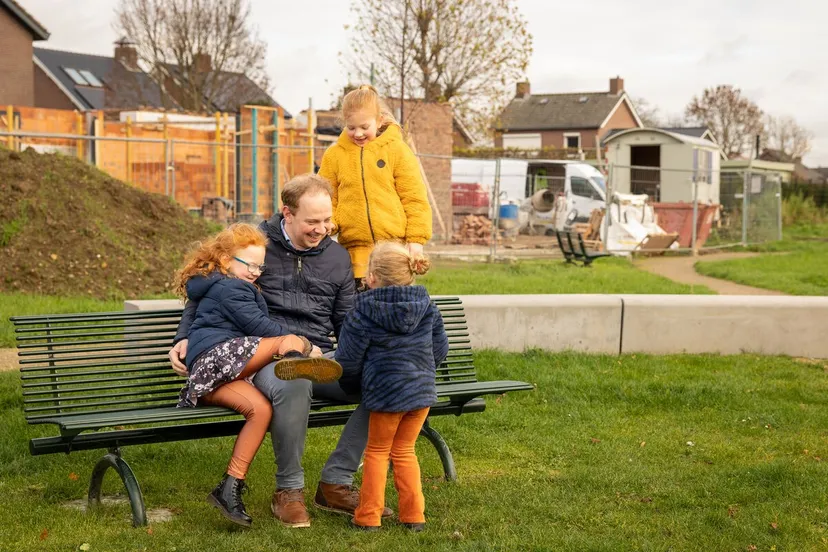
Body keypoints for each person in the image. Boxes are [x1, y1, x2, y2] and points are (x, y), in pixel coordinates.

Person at [169, 174, 392, 528]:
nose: (323, 229)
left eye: (327, 220)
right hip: (267, 359)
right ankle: (289, 490)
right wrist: (183, 337)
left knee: (384, 382)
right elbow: (210, 286)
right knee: (294, 379)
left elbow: (346, 319)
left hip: (320, 355)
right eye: (312, 221)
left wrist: (363, 357)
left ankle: (335, 482)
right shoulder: (256, 246)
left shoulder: (338, 257)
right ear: (287, 213)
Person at [174, 223, 343, 527]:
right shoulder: (231, 287)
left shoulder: (220, 282)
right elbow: (260, 327)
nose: (256, 272)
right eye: (250, 265)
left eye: (260, 266)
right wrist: (305, 345)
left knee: (261, 410)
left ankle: (229, 487)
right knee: (284, 340)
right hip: (219, 359)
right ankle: (297, 360)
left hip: (213, 377)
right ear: (225, 260)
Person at [335, 242, 449, 531]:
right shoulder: (427, 306)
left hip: (385, 394)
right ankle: (414, 517)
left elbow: (348, 360)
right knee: (405, 451)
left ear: (372, 277)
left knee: (377, 451)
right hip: (421, 393)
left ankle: (368, 517)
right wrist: (420, 373)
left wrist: (353, 386)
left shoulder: (362, 311)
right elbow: (440, 349)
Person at [318, 84, 432, 287]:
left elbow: (414, 198)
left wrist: (416, 240)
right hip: (353, 256)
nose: (358, 133)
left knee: (396, 304)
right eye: (351, 128)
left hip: (393, 253)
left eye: (364, 127)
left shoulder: (397, 151)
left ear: (379, 121)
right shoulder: (334, 156)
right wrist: (330, 222)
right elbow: (326, 197)